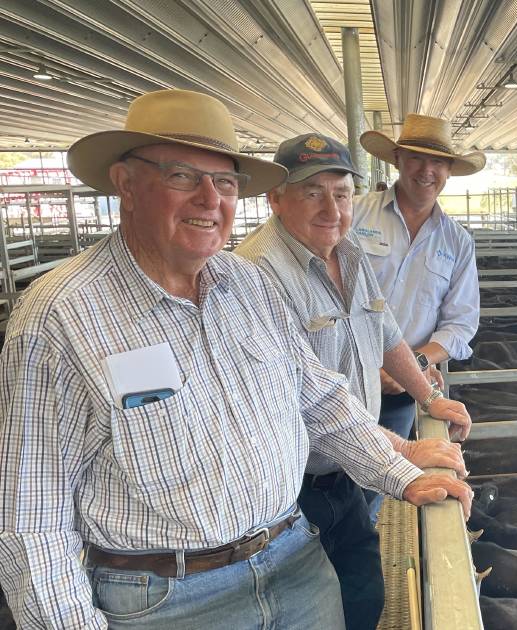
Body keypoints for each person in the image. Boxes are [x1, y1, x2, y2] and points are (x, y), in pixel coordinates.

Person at [0, 90, 471, 629]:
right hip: (168, 597)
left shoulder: (247, 285)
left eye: (225, 182)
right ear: (125, 184)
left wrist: (401, 471)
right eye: (181, 175)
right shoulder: (59, 314)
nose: (209, 199)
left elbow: (317, 398)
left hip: (294, 560)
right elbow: (30, 518)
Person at [234, 133, 471, 630]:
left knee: (363, 595)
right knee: (309, 606)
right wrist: (402, 454)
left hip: (343, 469)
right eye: (310, 192)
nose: (330, 208)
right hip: (292, 485)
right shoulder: (254, 275)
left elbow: (386, 332)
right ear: (275, 198)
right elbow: (307, 401)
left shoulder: (349, 250)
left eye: (340, 194)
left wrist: (429, 394)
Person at [354, 114, 485, 442]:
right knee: (322, 476)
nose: (427, 171)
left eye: (438, 162)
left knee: (378, 479)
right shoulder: (354, 214)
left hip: (401, 389)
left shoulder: (457, 241)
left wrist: (415, 362)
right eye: (416, 158)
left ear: (449, 171)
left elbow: (461, 324)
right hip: (344, 375)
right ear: (398, 160)